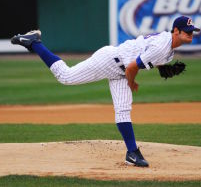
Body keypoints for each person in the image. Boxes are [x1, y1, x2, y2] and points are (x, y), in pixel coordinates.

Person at [11, 15, 200, 167]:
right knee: (66, 76)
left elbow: (145, 55)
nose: (191, 35)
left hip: (120, 69)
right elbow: (132, 68)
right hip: (110, 61)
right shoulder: (162, 47)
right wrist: (132, 83)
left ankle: (132, 153)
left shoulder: (169, 49)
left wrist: (159, 66)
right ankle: (34, 42)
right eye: (188, 32)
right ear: (176, 31)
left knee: (123, 110)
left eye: (193, 32)